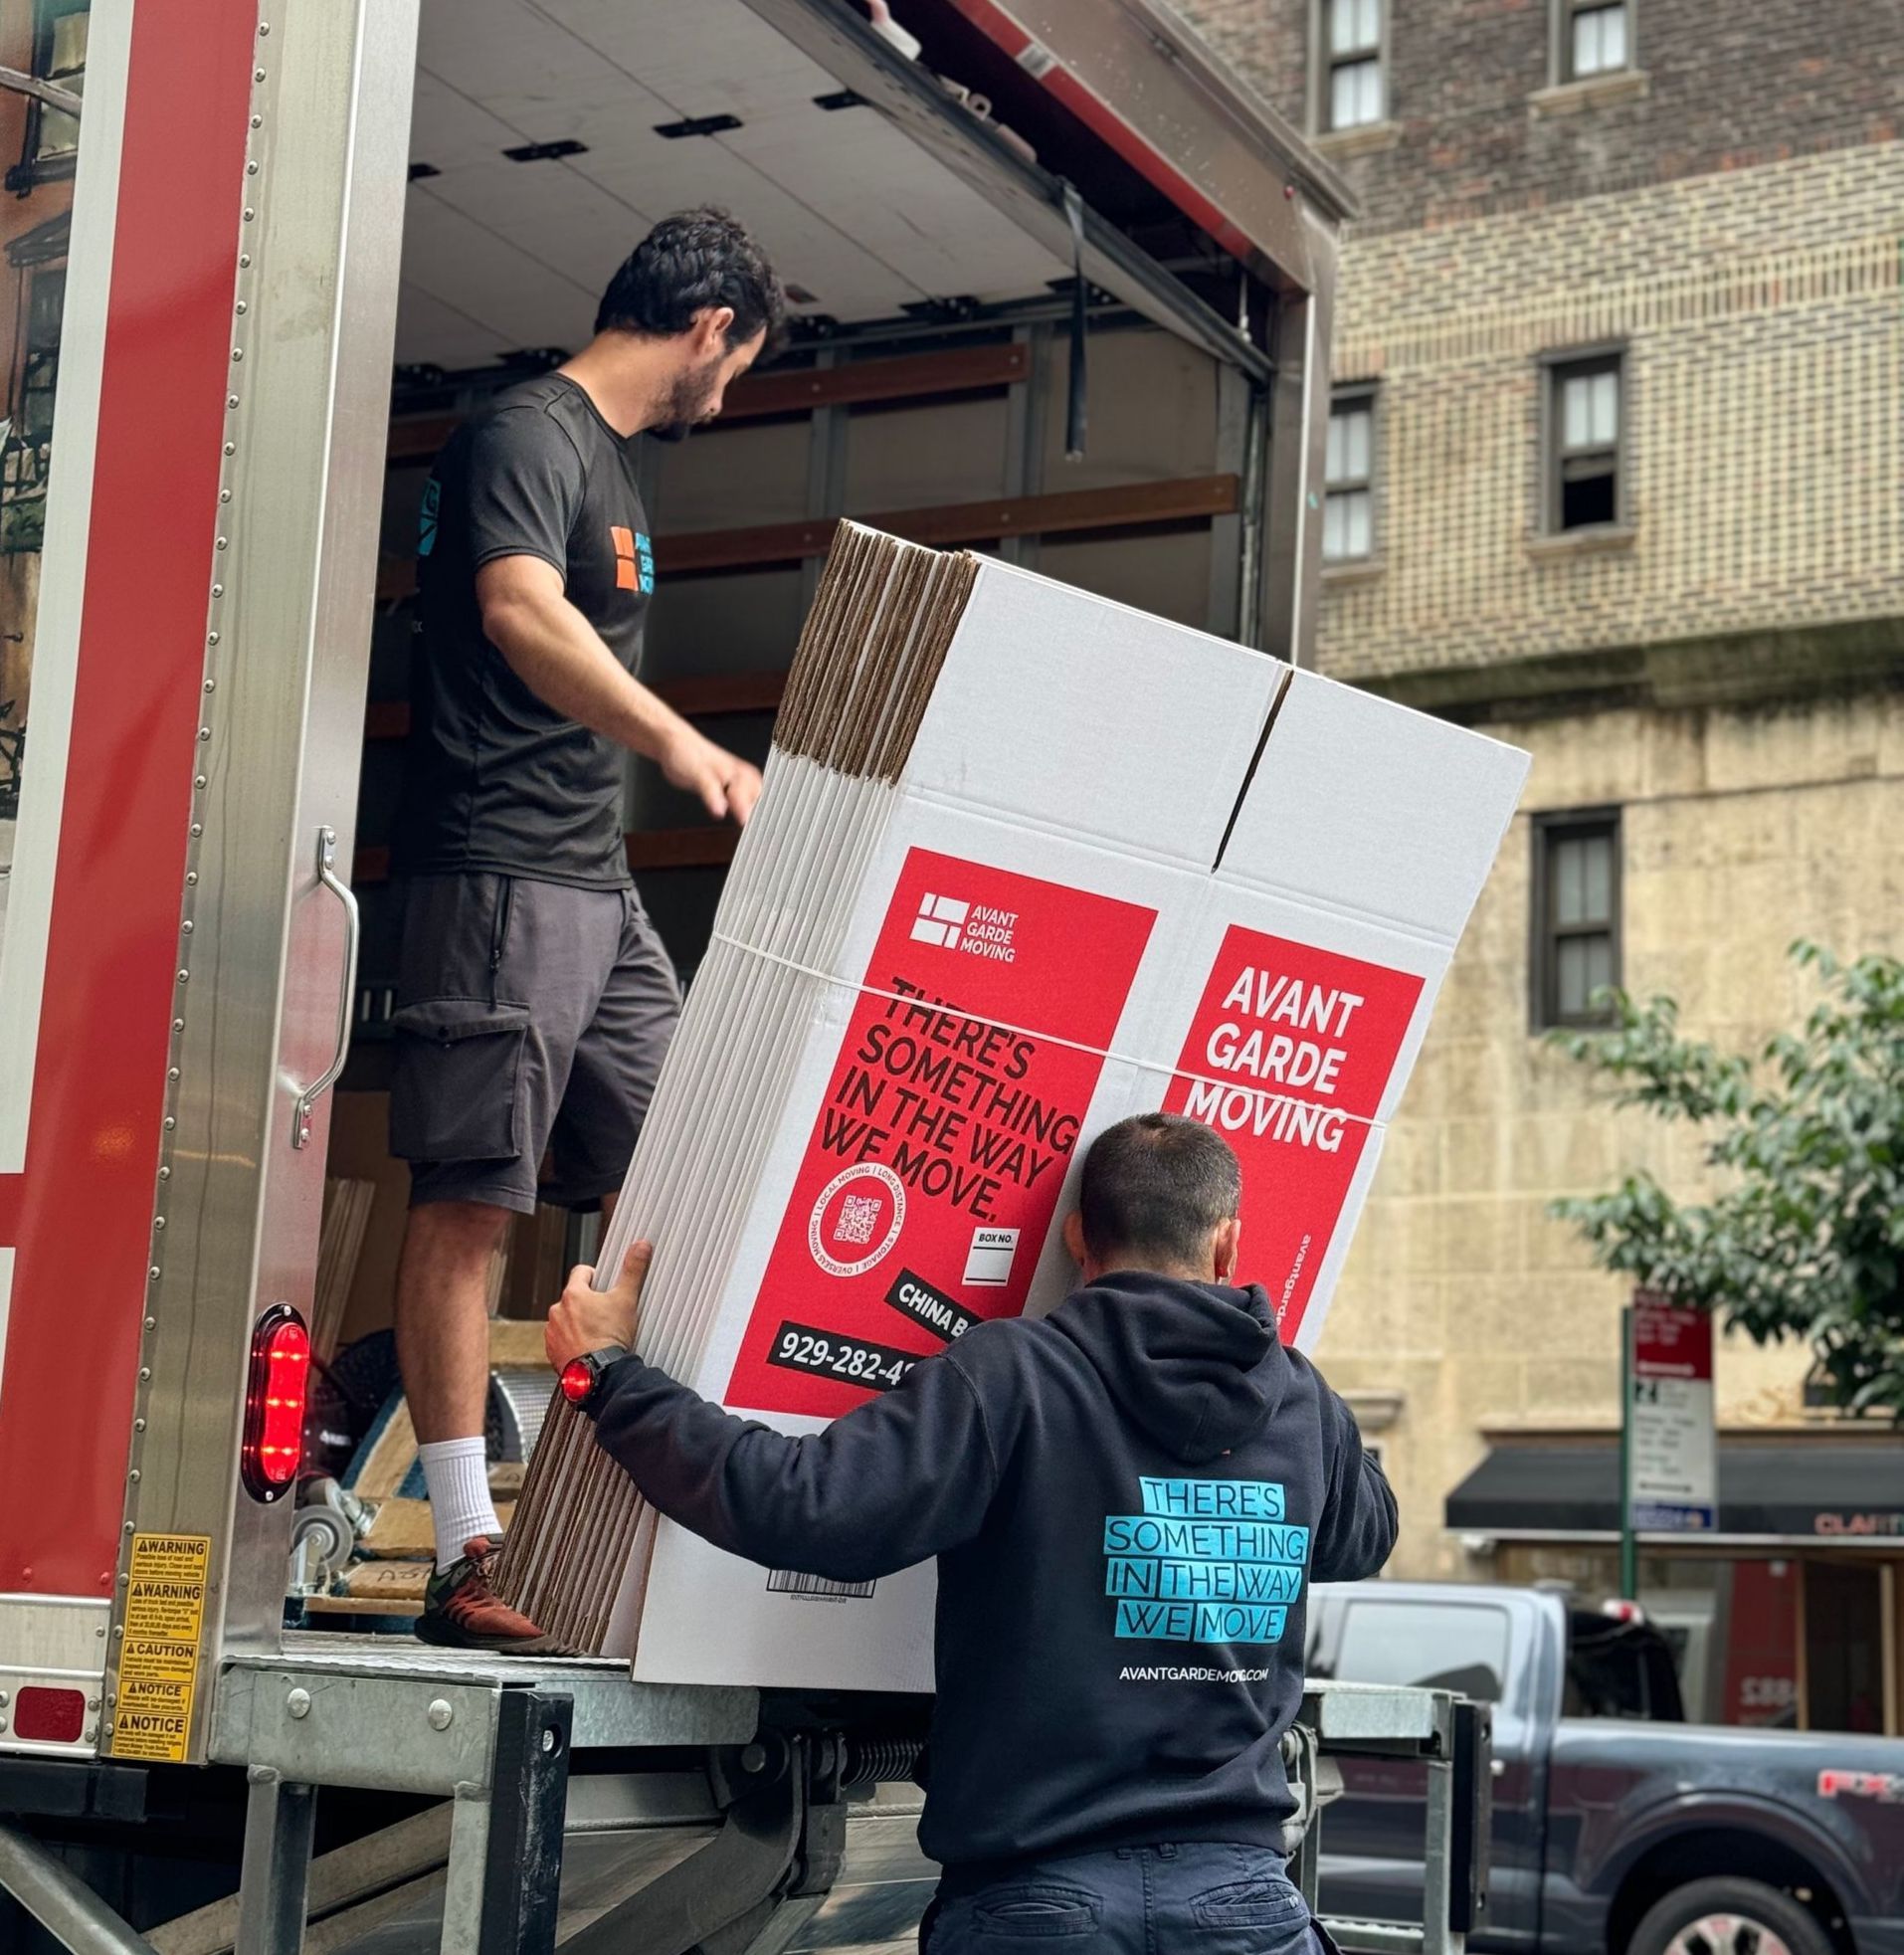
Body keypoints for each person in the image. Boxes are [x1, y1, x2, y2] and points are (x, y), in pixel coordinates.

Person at [546, 1112, 1397, 1955]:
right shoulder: (1299, 1402)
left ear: (1075, 1239)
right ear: (1228, 1246)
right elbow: (1364, 1535)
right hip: (1244, 1912)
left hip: (1037, 1906)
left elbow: (802, 1504)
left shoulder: (1016, 1376)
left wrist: (613, 1377)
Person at [394, 208, 784, 1650]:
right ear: (707, 329)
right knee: (472, 1196)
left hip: (587, 876)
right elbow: (516, 611)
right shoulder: (526, 434)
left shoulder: (605, 464)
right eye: (734, 368)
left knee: (684, 1165)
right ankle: (467, 1546)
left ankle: (594, 1499)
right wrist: (682, 746)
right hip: (496, 866)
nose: (724, 397)